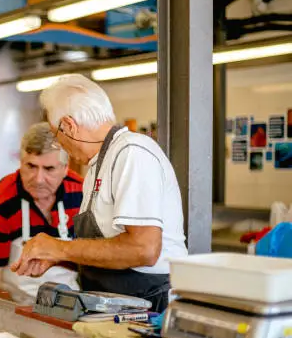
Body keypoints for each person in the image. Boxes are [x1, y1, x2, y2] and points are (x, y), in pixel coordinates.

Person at [11, 75, 187, 312]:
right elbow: (109, 250)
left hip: (149, 307)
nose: (60, 145)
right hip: (114, 304)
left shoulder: (132, 153)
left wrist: (58, 247)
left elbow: (143, 249)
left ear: (69, 126)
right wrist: (60, 258)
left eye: (56, 134)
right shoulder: (98, 165)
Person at [0, 123, 84, 297]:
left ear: (65, 168)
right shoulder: (1, 200)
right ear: (21, 162)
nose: (39, 179)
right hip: (15, 306)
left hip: (71, 303)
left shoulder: (82, 194)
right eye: (31, 167)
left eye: (49, 169)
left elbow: (93, 260)